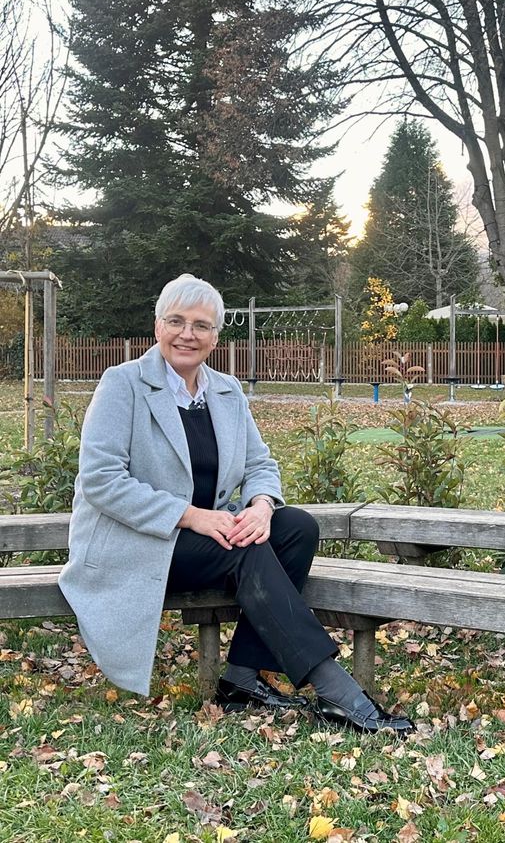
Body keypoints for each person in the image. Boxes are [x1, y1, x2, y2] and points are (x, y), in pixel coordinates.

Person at [60, 274, 413, 734]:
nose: (188, 334)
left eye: (201, 326)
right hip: (136, 543)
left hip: (200, 538)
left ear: (215, 337)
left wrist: (262, 506)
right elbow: (101, 481)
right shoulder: (122, 385)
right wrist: (193, 517)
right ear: (157, 326)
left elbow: (259, 464)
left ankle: (243, 675)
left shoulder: (225, 391)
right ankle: (337, 691)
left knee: (296, 528)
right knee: (242, 548)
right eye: (177, 321)